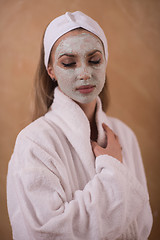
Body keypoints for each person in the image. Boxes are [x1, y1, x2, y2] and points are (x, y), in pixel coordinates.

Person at [7, 11, 153, 240]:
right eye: (68, 63)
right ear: (51, 70)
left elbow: (141, 224)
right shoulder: (34, 142)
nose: (85, 74)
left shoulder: (125, 134)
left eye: (94, 60)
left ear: (106, 61)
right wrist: (112, 169)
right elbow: (48, 233)